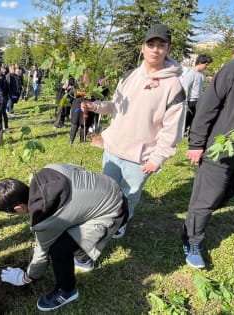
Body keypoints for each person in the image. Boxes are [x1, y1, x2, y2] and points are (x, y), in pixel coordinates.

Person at [81, 24, 186, 238]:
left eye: (161, 45)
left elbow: (172, 130)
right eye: (151, 44)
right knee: (108, 190)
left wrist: (157, 159)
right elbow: (115, 105)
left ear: (168, 49)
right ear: (143, 47)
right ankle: (105, 217)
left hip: (140, 158)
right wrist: (94, 106)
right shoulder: (129, 75)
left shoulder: (174, 86)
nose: (155, 50)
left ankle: (121, 222)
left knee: (130, 195)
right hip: (113, 148)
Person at [0, 163, 128, 312]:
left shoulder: (43, 218)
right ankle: (84, 261)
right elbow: (77, 168)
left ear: (19, 208)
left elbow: (41, 255)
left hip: (113, 211)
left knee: (58, 250)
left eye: (11, 214)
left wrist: (25, 277)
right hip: (111, 188)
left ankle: (68, 291)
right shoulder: (48, 170)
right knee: (67, 230)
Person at [181, 51, 234, 269]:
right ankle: (192, 239)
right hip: (221, 150)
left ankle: (194, 222)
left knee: (231, 192)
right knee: (206, 199)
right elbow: (208, 105)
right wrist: (196, 143)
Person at [180, 54, 213, 134]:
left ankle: (191, 133)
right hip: (190, 101)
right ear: (201, 62)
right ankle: (180, 133)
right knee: (188, 119)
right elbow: (185, 88)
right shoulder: (191, 74)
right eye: (206, 64)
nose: (207, 66)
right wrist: (185, 103)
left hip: (198, 100)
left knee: (196, 119)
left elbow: (200, 88)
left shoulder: (202, 74)